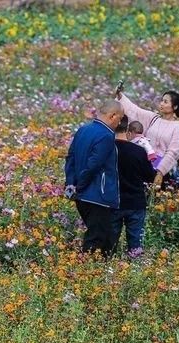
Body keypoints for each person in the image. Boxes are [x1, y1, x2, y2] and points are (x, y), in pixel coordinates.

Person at [64, 100, 124, 257]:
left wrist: (71, 184)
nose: (119, 123)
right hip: (98, 194)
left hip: (82, 195)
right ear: (113, 116)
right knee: (98, 238)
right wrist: (81, 186)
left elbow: (70, 158)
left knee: (100, 234)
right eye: (120, 118)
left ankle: (96, 272)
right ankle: (87, 272)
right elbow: (93, 165)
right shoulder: (106, 135)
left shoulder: (83, 129)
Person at [116, 90, 179, 189]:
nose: (161, 104)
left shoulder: (178, 127)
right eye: (162, 101)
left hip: (161, 170)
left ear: (175, 107)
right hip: (144, 165)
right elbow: (135, 111)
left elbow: (173, 152)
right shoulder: (154, 118)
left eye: (165, 102)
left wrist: (160, 172)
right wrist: (120, 95)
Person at [112, 117, 156, 257]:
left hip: (114, 201)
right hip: (136, 201)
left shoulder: (108, 149)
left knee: (111, 240)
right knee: (135, 241)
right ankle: (135, 268)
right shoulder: (138, 151)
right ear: (127, 130)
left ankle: (108, 266)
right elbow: (150, 176)